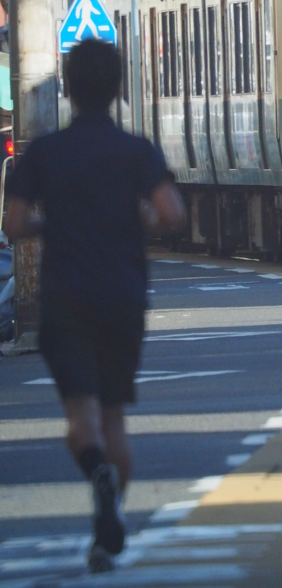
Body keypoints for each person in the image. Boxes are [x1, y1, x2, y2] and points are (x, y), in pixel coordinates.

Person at [4, 39, 185, 573]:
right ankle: (108, 534)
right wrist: (137, 223)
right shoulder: (136, 150)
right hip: (122, 296)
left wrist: (49, 224)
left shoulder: (42, 153)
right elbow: (171, 213)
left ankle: (95, 475)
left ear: (68, 86)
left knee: (80, 418)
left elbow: (13, 226)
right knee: (114, 419)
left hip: (65, 298)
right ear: (117, 88)